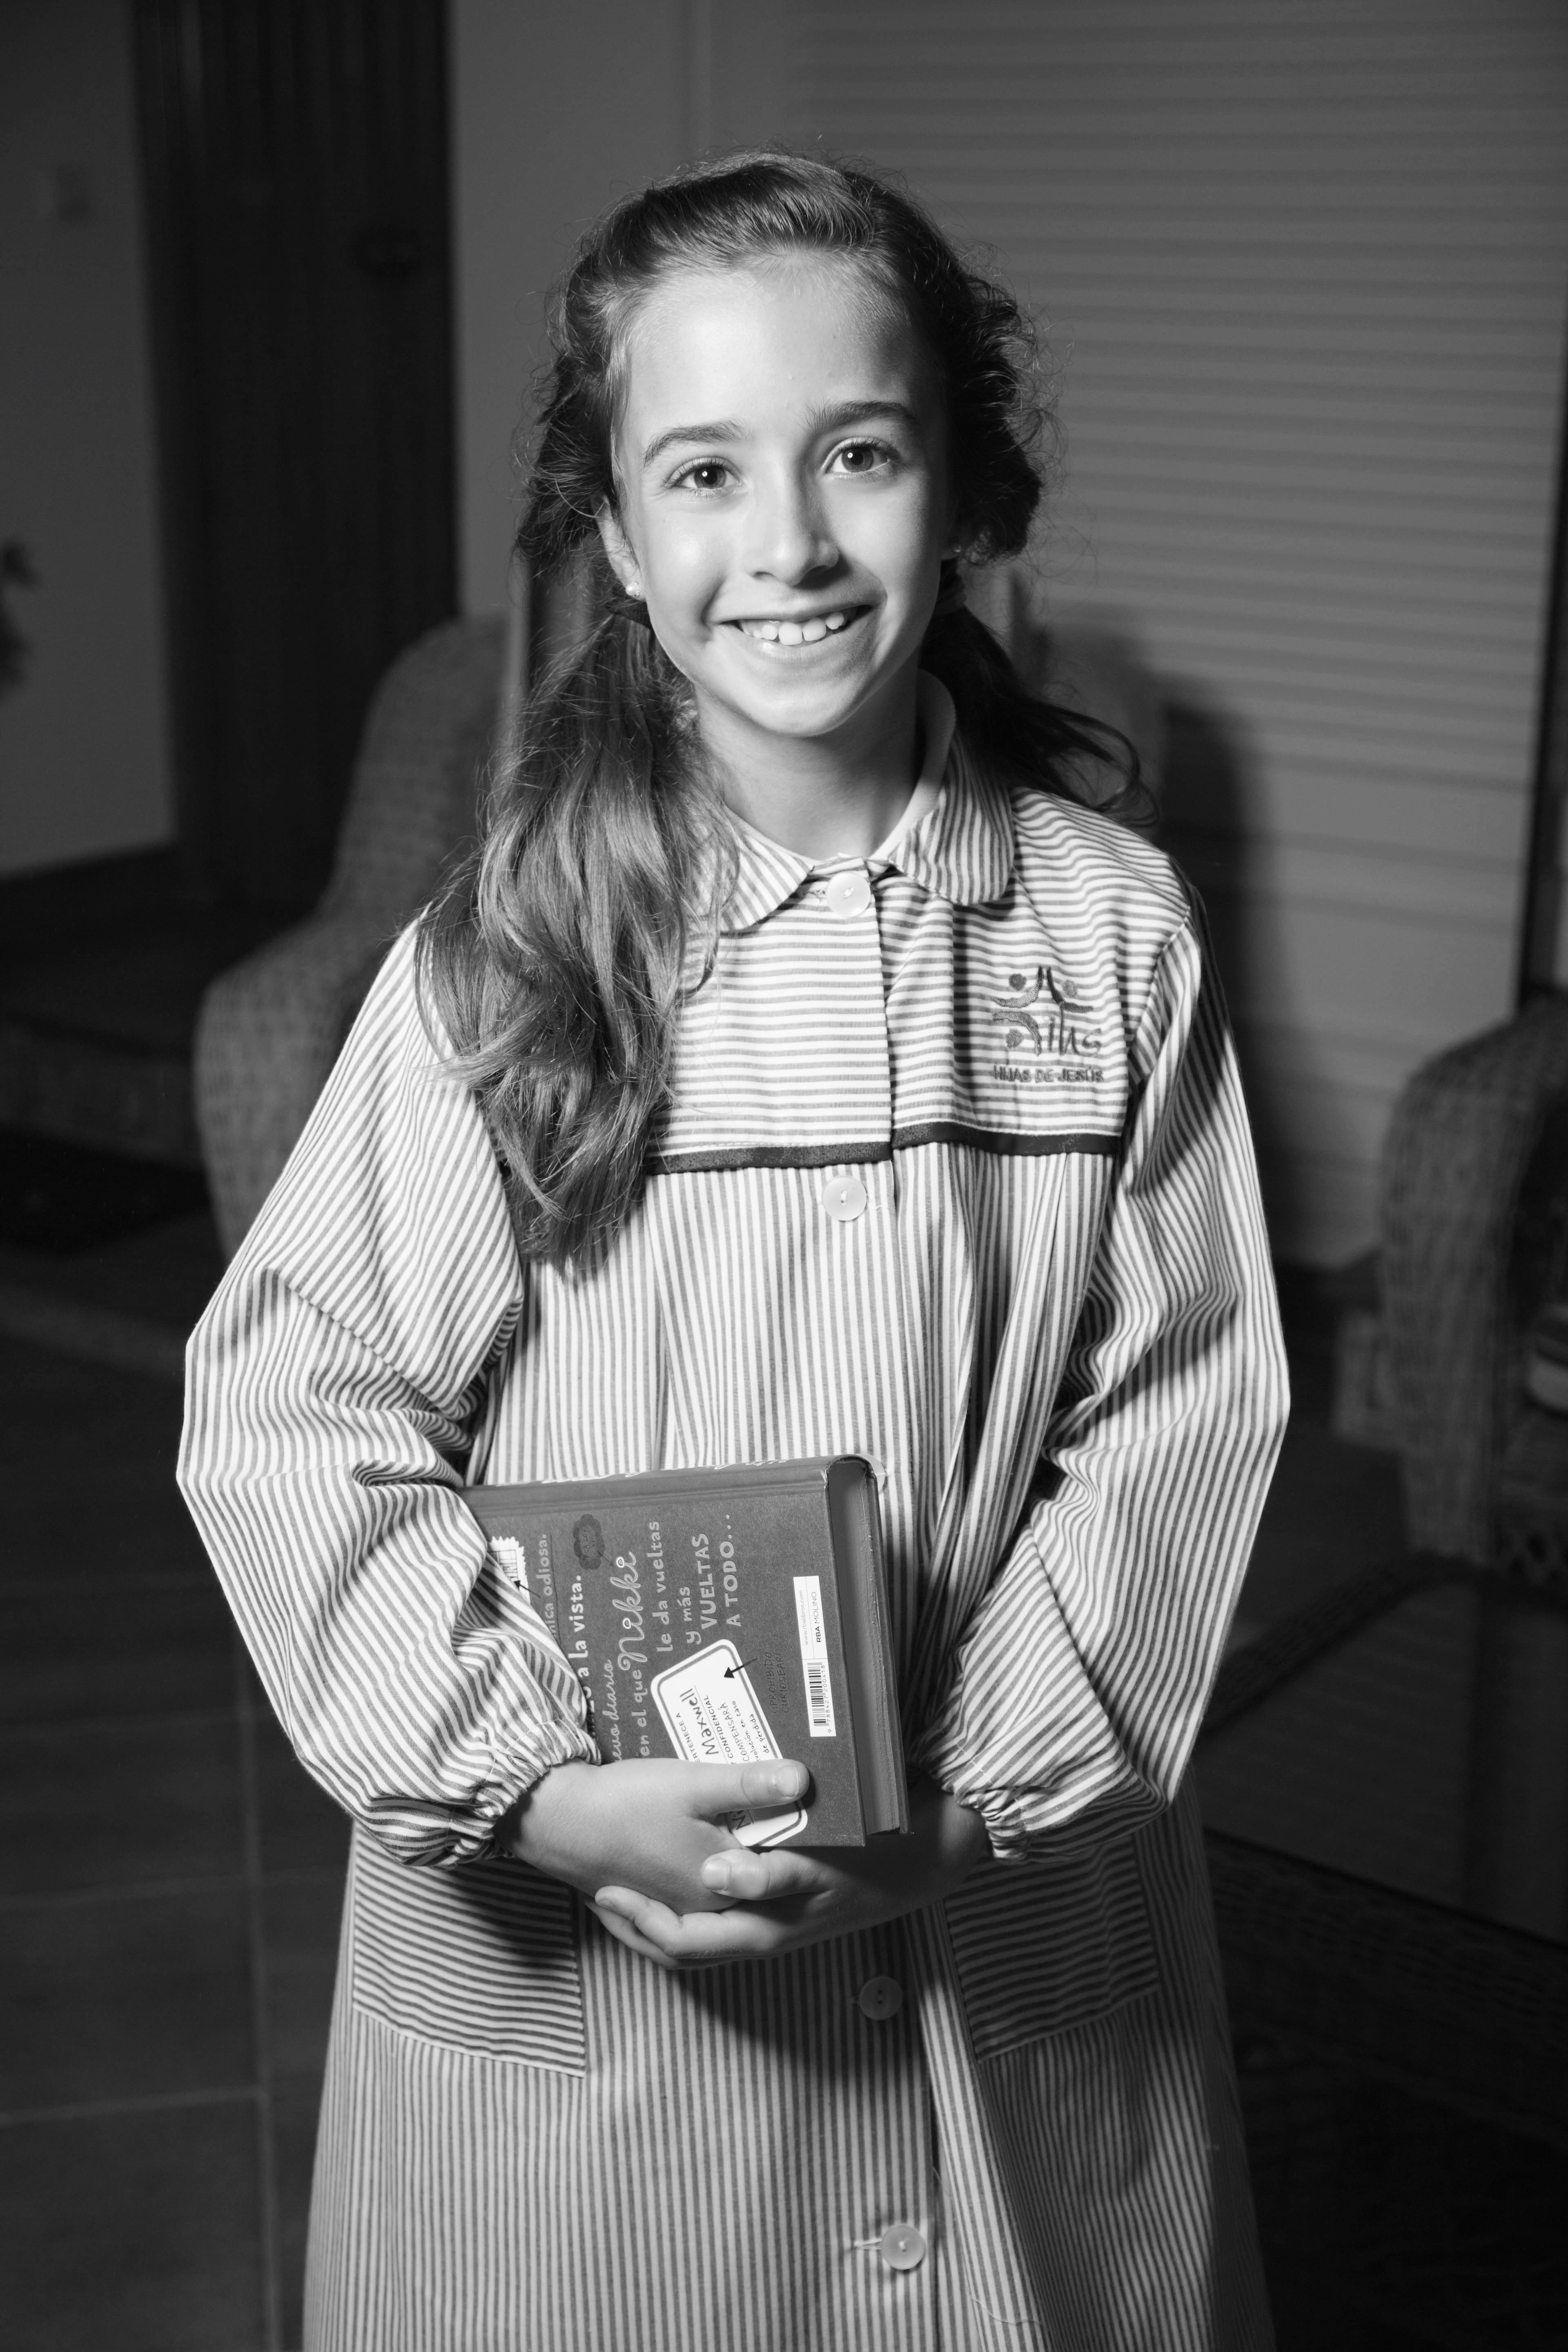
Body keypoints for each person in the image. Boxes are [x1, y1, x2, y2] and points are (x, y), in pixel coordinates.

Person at [179, 151, 1288, 2352]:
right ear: (614, 532)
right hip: (584, 1999)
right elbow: (293, 1419)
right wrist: (547, 1788)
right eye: (704, 471)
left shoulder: (1109, 936)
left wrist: (964, 1806)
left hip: (1000, 1944)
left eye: (858, 453)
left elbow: (1175, 1421)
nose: (785, 543)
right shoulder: (503, 966)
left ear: (962, 483)